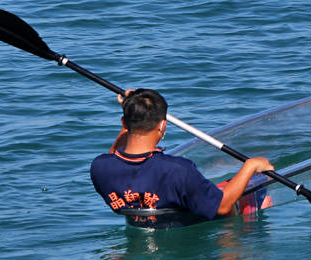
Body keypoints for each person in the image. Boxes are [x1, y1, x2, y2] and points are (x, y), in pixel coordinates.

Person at [90, 88, 275, 220]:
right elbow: (222, 206)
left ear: (124, 123)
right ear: (162, 125)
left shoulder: (100, 167)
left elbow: (114, 157)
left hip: (147, 231)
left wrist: (133, 110)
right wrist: (250, 166)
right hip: (197, 233)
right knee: (259, 189)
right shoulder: (178, 170)